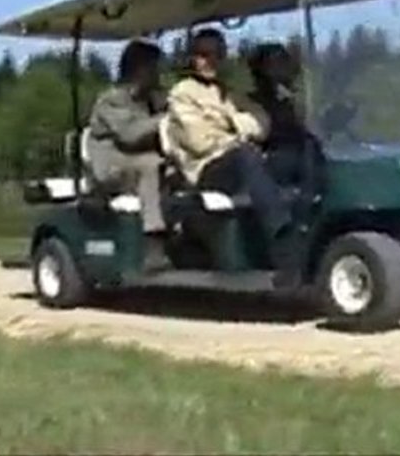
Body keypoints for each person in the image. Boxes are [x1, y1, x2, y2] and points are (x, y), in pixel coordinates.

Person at [165, 28, 300, 290]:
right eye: (203, 55)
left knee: (294, 156)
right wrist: (238, 127)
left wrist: (224, 123)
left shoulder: (230, 93)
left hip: (237, 162)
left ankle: (314, 224)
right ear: (192, 58)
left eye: (216, 54)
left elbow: (262, 124)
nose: (210, 61)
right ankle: (283, 242)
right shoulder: (182, 94)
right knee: (245, 155)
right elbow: (199, 141)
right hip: (205, 170)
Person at [85, 39, 170, 271]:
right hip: (110, 166)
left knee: (178, 167)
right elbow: (130, 134)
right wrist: (166, 118)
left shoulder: (151, 100)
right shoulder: (112, 99)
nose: (158, 73)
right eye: (153, 67)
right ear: (138, 69)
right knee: (151, 165)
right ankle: (154, 243)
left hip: (133, 162)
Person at [245, 42, 322, 187]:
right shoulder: (252, 102)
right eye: (274, 64)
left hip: (301, 154)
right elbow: (260, 133)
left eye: (283, 62)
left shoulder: (293, 98)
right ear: (260, 70)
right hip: (271, 158)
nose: (281, 69)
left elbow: (307, 125)